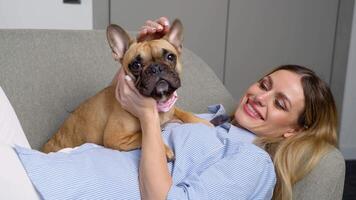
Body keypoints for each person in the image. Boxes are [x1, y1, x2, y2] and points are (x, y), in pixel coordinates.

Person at [115, 17, 338, 200]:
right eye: (264, 85)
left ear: (295, 130)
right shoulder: (206, 119)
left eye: (279, 104)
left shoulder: (253, 162)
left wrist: (147, 116)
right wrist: (138, 56)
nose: (260, 97)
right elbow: (114, 109)